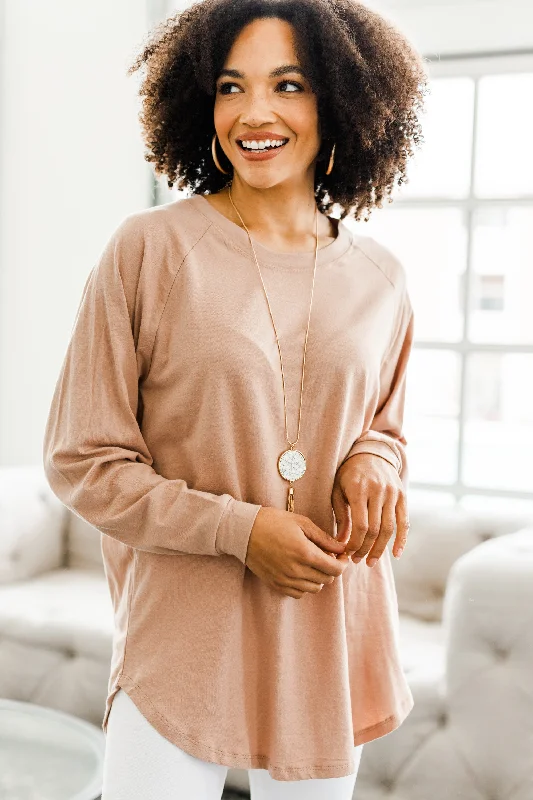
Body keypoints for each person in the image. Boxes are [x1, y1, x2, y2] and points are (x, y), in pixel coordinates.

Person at [42, 0, 428, 797]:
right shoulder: (146, 250)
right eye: (229, 87)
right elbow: (83, 460)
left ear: (342, 101)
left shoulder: (382, 278)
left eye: (288, 84)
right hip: (182, 640)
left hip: (327, 630)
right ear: (199, 103)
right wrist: (240, 531)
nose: (254, 113)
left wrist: (374, 460)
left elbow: (383, 424)